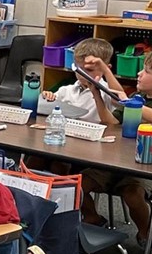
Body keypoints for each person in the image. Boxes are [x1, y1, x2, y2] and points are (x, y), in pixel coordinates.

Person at [83, 49, 152, 254]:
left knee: (132, 193)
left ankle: (146, 235)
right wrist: (98, 93)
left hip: (150, 168)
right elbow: (112, 122)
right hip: (116, 161)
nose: (139, 74)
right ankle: (93, 218)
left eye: (147, 70)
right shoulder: (138, 97)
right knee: (78, 185)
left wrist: (131, 103)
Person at [26, 38, 117, 175]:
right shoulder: (66, 90)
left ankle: (62, 193)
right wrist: (48, 97)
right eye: (77, 68)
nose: (82, 74)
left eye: (89, 70)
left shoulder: (107, 92)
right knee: (35, 157)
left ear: (106, 69)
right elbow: (51, 112)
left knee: (59, 165)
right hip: (62, 142)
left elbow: (119, 100)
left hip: (88, 149)